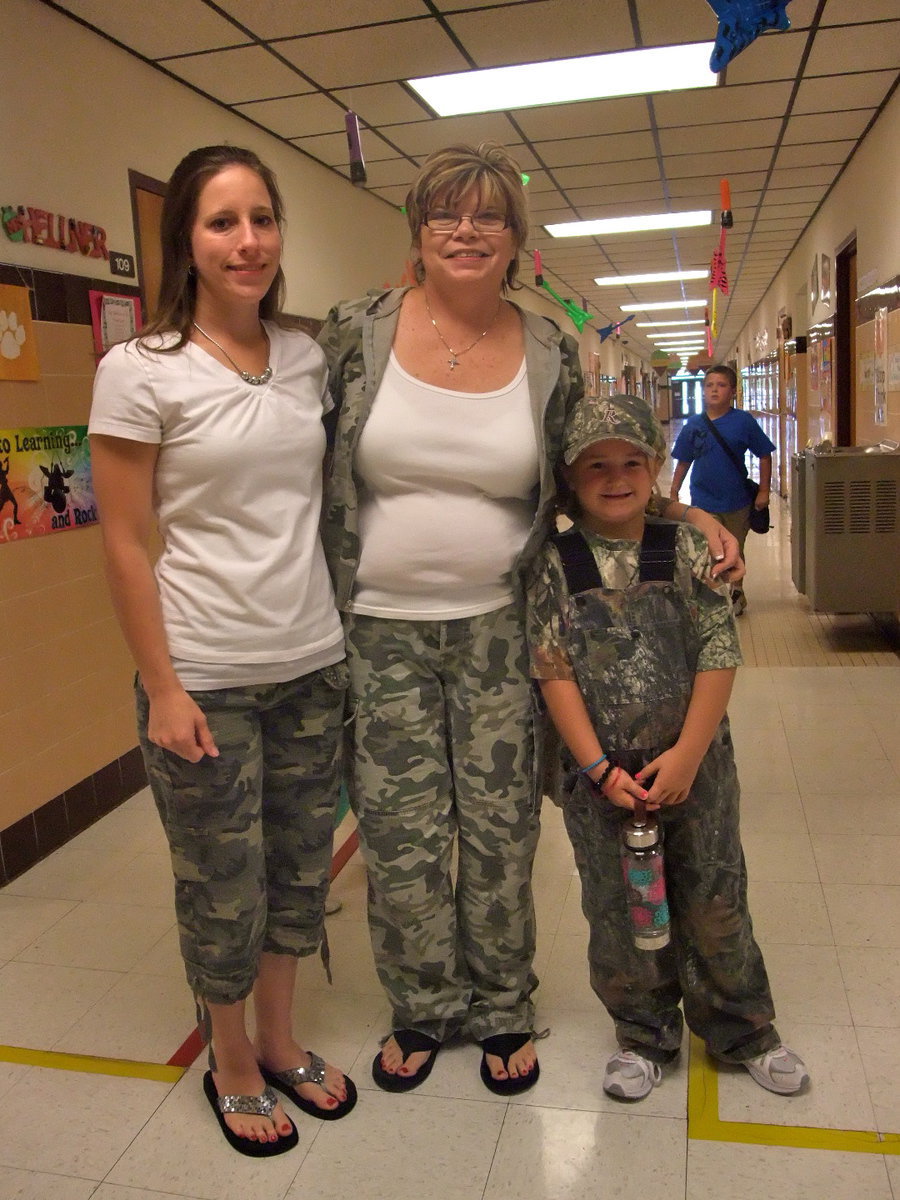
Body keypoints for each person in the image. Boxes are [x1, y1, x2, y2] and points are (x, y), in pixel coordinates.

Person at [318, 141, 745, 1096]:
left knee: (503, 826)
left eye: (488, 216)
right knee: (401, 833)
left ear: (515, 237)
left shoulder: (549, 348)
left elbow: (599, 477)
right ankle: (425, 1005)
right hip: (377, 630)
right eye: (445, 214)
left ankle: (504, 1003)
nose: (466, 232)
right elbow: (293, 466)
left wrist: (690, 512)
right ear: (417, 232)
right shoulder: (355, 333)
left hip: (501, 631)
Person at [88, 145, 356, 1156]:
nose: (246, 241)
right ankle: (231, 1059)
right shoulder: (140, 369)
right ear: (185, 243)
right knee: (219, 881)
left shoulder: (308, 355)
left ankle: (282, 1039)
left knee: (297, 873)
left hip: (312, 662)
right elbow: (122, 538)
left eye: (260, 218)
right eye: (220, 222)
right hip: (202, 672)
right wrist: (161, 686)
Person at [527, 392, 808, 1102]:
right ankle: (643, 1033)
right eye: (595, 464)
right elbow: (552, 671)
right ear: (569, 476)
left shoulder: (688, 548)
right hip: (602, 782)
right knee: (621, 910)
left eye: (631, 461)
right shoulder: (555, 564)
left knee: (714, 896)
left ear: (655, 468)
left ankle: (744, 1029)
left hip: (697, 768)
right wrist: (595, 768)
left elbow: (719, 652)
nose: (615, 476)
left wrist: (687, 754)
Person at [669, 364, 774, 615]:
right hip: (703, 500)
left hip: (737, 501)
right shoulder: (694, 425)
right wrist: (673, 493)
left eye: (721, 385)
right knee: (708, 548)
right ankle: (713, 594)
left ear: (733, 391)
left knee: (735, 547)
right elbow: (683, 461)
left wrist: (764, 491)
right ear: (703, 391)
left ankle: (737, 591)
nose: (714, 390)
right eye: (709, 385)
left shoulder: (743, 422)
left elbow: (765, 455)